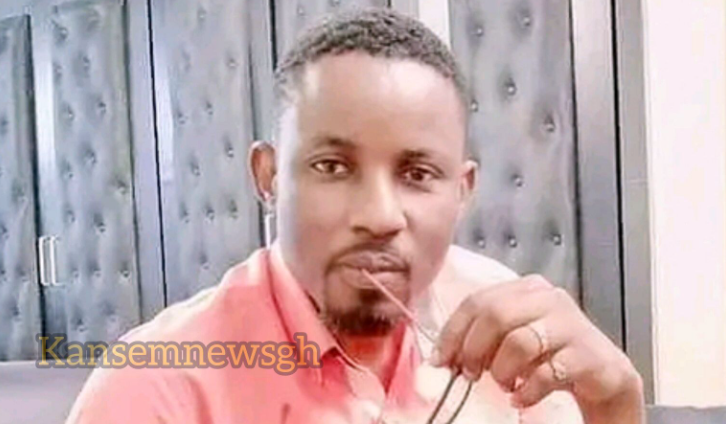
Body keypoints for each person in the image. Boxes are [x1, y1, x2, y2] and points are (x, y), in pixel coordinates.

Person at [66, 8, 644, 424]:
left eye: (418, 173)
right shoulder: (154, 388)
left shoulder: (506, 333)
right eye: (333, 166)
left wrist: (615, 406)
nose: (379, 215)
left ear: (462, 190)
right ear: (269, 177)